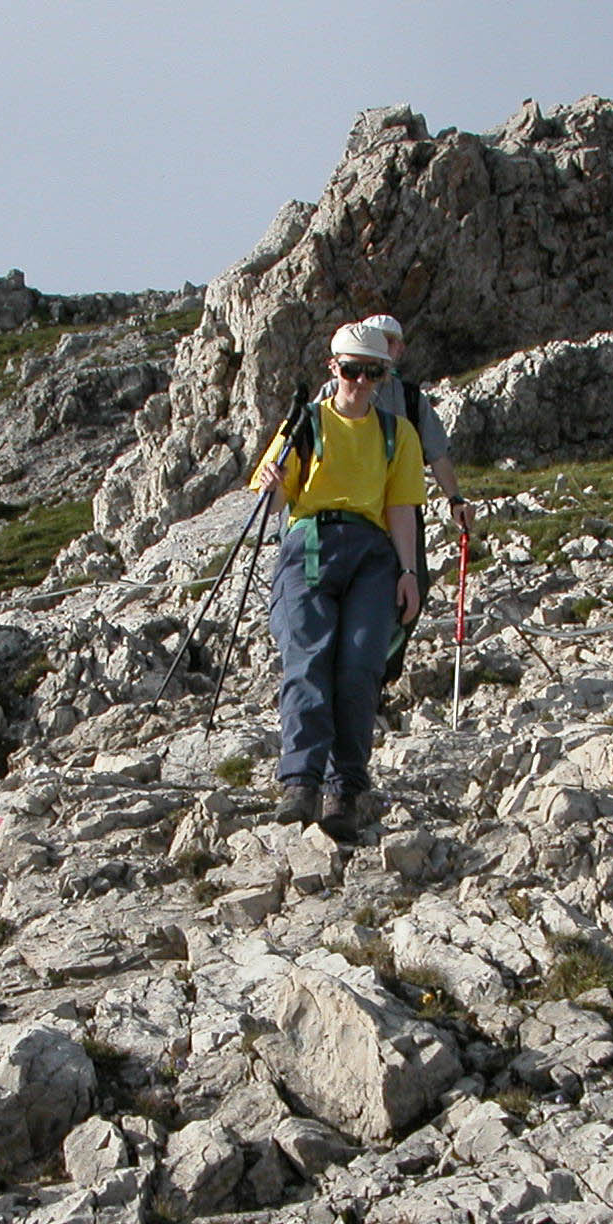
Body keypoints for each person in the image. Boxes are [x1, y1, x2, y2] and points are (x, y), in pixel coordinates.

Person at [253, 323, 427, 841]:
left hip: (373, 555)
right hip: (310, 544)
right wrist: (273, 483)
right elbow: (273, 501)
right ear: (334, 368)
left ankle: (344, 790)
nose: (361, 382)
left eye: (373, 373)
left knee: (360, 667)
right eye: (352, 371)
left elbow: (401, 508)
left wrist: (409, 573)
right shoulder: (305, 424)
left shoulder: (398, 433)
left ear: (384, 375)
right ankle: (300, 783)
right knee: (308, 658)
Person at [355, 313, 475, 538]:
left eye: (391, 342)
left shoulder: (411, 398)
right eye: (381, 341)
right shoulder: (336, 391)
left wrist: (455, 500)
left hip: (402, 512)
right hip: (352, 513)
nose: (387, 348)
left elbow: (437, 454)